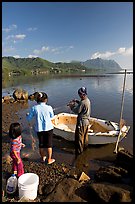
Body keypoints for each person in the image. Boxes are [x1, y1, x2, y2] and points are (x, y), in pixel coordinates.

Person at [26, 92, 55, 164]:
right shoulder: (49, 107)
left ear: (37, 100)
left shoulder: (34, 108)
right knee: (49, 145)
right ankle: (49, 159)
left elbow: (29, 119)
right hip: (48, 128)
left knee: (41, 144)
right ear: (46, 100)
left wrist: (27, 115)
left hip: (39, 129)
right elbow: (52, 117)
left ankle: (43, 158)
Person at [68, 87, 91, 160]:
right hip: (87, 122)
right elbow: (82, 105)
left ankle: (79, 153)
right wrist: (77, 101)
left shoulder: (83, 102)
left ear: (82, 94)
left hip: (81, 123)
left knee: (79, 138)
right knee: (85, 137)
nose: (79, 96)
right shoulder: (87, 100)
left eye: (80, 94)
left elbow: (76, 111)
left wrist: (71, 106)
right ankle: (85, 149)